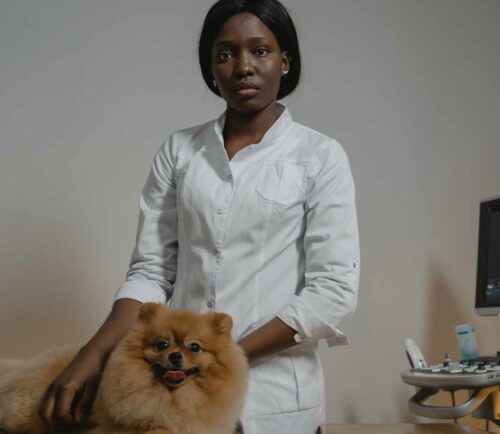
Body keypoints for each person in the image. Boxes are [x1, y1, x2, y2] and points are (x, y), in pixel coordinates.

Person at [37, 0, 360, 433]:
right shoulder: (180, 151)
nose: (243, 66)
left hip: (277, 405)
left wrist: (221, 356)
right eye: (225, 54)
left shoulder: (319, 156)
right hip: (179, 404)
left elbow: (333, 290)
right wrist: (92, 355)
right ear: (211, 69)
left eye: (260, 51)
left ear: (285, 61)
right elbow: (152, 271)